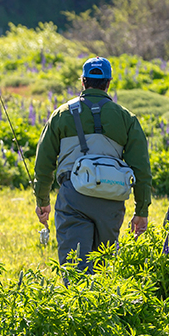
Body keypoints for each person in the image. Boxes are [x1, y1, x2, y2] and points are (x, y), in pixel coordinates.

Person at [32, 57, 152, 270]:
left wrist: (42, 200)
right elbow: (141, 170)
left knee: (75, 268)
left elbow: (44, 163)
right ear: (108, 83)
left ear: (83, 82)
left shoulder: (61, 115)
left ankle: (79, 302)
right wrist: (141, 210)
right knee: (104, 268)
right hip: (112, 200)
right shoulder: (126, 118)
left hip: (73, 198)